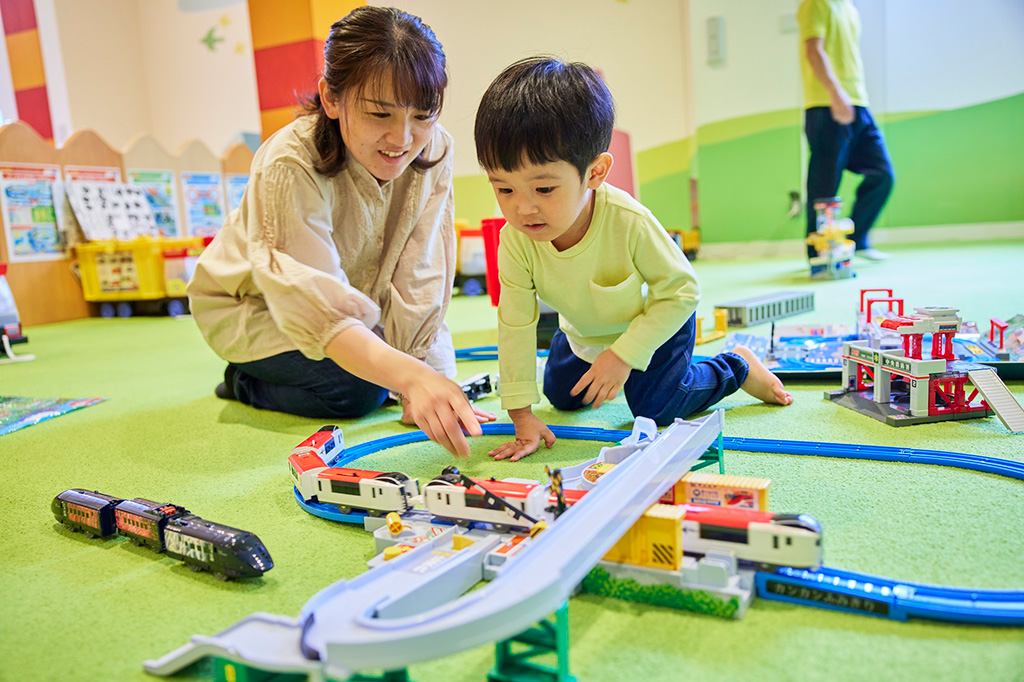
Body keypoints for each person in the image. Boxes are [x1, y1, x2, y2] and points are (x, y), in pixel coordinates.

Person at [187, 6, 493, 458]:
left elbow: (422, 269)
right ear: (331, 99)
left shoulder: (435, 147)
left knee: (394, 367)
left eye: (423, 115)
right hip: (256, 307)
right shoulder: (290, 161)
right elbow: (311, 302)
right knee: (356, 391)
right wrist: (409, 376)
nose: (402, 139)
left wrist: (430, 375)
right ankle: (243, 380)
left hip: (348, 300)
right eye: (379, 114)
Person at [474, 57, 792, 462]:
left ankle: (735, 367)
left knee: (655, 408)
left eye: (544, 189)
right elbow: (516, 324)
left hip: (655, 324)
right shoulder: (515, 239)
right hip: (586, 331)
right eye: (504, 189)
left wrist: (623, 355)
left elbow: (681, 292)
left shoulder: (628, 220)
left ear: (595, 173)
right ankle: (594, 361)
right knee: (562, 397)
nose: (523, 209)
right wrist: (520, 413)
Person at [798, 0, 895, 261]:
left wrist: (849, 97)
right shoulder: (816, 3)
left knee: (883, 174)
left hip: (858, 103)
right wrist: (835, 92)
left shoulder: (850, 8)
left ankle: (856, 241)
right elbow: (813, 50)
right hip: (826, 104)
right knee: (824, 186)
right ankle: (818, 254)